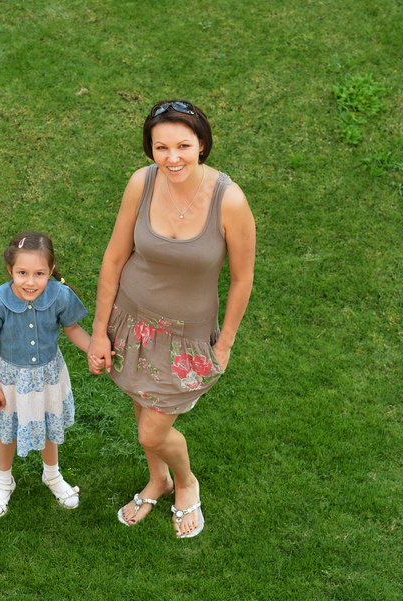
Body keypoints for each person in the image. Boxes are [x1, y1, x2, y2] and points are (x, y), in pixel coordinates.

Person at [87, 100, 256, 538]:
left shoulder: (229, 201)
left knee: (151, 432)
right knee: (144, 409)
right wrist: (100, 331)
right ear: (150, 150)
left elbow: (242, 279)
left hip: (188, 338)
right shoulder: (141, 184)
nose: (172, 157)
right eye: (161, 147)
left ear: (202, 143)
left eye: (183, 145)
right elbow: (114, 258)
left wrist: (225, 345)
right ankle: (158, 480)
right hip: (131, 321)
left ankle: (185, 482)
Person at [0, 231, 92, 518]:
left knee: (50, 426)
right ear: (9, 270)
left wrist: (93, 350)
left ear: (51, 270)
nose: (30, 281)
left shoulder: (59, 295)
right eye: (22, 272)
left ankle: (52, 475)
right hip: (10, 381)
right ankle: (4, 482)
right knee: (6, 430)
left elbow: (73, 328)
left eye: (39, 273)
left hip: (47, 378)